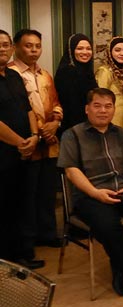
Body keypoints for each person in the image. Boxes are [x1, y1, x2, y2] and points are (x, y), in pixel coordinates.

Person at [59, 88, 123, 297]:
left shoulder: (122, 133)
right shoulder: (73, 135)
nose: (103, 111)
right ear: (87, 109)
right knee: (108, 225)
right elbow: (71, 171)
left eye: (108, 106)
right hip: (92, 194)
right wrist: (95, 193)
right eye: (97, 106)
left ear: (114, 109)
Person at [9, 29, 63, 251]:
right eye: (28, 45)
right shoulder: (10, 74)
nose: (34, 50)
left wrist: (56, 122)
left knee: (47, 192)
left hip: (49, 143)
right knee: (27, 194)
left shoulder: (45, 74)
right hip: (27, 142)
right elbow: (19, 111)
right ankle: (27, 240)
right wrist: (40, 131)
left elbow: (56, 102)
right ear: (16, 47)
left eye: (37, 46)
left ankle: (48, 233)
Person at [0, 29, 43, 269]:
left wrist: (34, 136)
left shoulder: (14, 76)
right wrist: (20, 142)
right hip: (5, 153)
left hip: (26, 151)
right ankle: (6, 260)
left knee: (23, 204)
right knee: (4, 207)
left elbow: (28, 109)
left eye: (6, 44)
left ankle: (22, 254)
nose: (2, 48)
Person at [55, 33, 98, 133]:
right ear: (71, 51)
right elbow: (71, 106)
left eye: (88, 48)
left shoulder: (86, 71)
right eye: (80, 48)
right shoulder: (67, 72)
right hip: (74, 129)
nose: (85, 52)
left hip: (89, 125)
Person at [95, 36, 123, 128]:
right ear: (110, 52)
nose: (122, 53)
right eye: (117, 50)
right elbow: (100, 98)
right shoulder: (105, 71)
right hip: (111, 121)